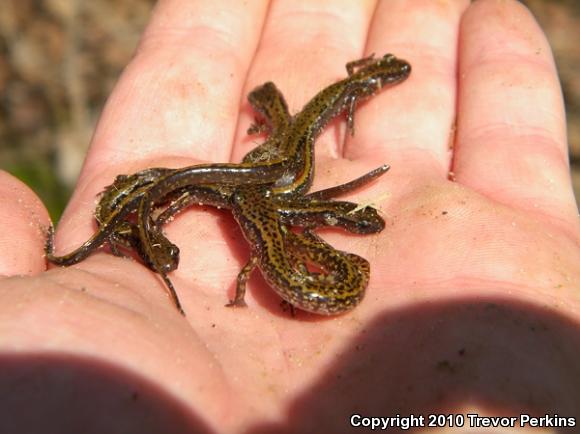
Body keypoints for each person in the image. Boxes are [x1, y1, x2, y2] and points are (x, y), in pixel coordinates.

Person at [0, 1, 578, 432]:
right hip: (276, 197)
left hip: (277, 198)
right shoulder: (278, 218)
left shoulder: (279, 223)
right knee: (241, 188)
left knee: (235, 188)